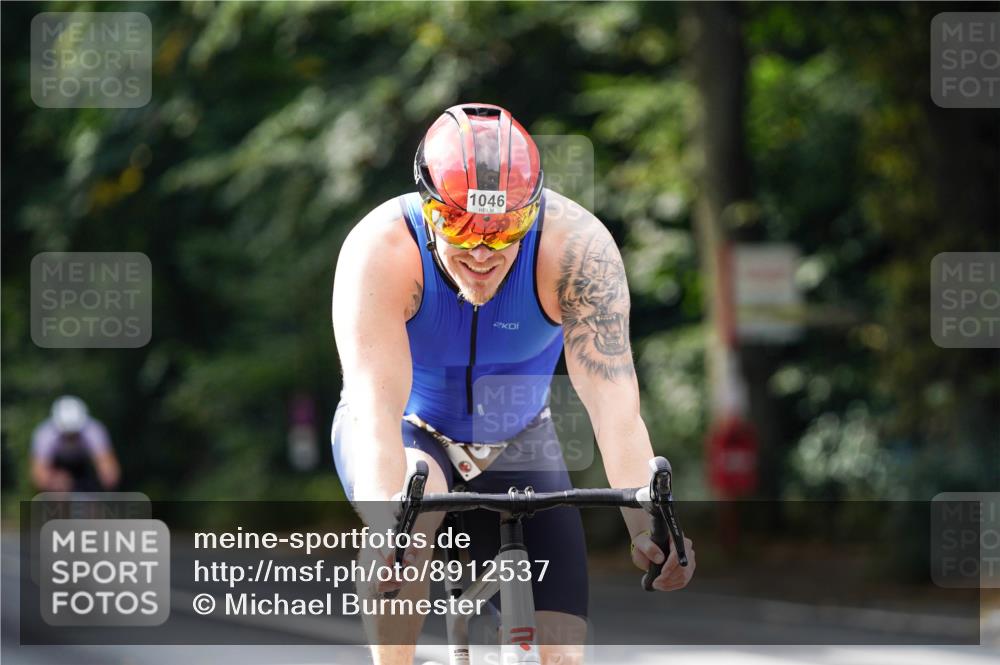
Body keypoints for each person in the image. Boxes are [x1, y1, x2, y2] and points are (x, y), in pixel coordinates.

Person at [331, 103, 696, 665]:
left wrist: (648, 526)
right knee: (410, 514)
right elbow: (375, 410)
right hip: (408, 429)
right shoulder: (380, 250)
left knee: (560, 649)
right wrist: (389, 532)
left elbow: (615, 410)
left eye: (505, 229)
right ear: (428, 208)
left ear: (532, 212)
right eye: (459, 226)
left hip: (519, 437)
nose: (482, 252)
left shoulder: (576, 250)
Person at [31, 395, 120, 493]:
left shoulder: (94, 430)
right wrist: (54, 482)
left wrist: (107, 479)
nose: (71, 437)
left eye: (74, 433)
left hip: (85, 469)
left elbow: (108, 467)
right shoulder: (45, 434)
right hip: (57, 468)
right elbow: (39, 474)